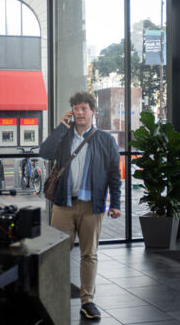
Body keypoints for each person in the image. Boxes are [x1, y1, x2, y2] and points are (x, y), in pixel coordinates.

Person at [40, 91, 121, 320]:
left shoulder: (105, 140)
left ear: (93, 112)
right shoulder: (64, 137)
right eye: (76, 109)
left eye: (84, 109)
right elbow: (44, 152)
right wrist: (60, 128)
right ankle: (53, 295)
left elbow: (114, 174)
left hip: (91, 207)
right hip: (64, 204)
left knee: (89, 254)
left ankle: (87, 300)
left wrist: (115, 203)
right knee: (57, 253)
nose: (79, 113)